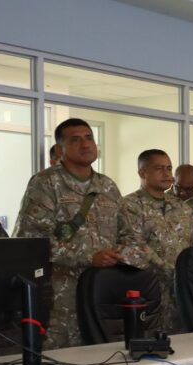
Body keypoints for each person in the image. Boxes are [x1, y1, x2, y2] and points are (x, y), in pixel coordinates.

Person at [15, 118, 123, 348]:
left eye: (89, 138)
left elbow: (125, 233)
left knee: (104, 356)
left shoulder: (108, 186)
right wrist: (88, 257)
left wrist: (122, 256)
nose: (85, 145)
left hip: (103, 294)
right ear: (59, 149)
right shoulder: (46, 183)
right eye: (75, 140)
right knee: (63, 363)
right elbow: (32, 240)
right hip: (61, 297)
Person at [116, 149, 193, 332]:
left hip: (183, 294)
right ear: (142, 173)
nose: (167, 174)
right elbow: (134, 246)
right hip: (151, 291)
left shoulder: (181, 206)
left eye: (169, 168)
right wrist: (173, 272)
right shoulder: (129, 205)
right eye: (159, 168)